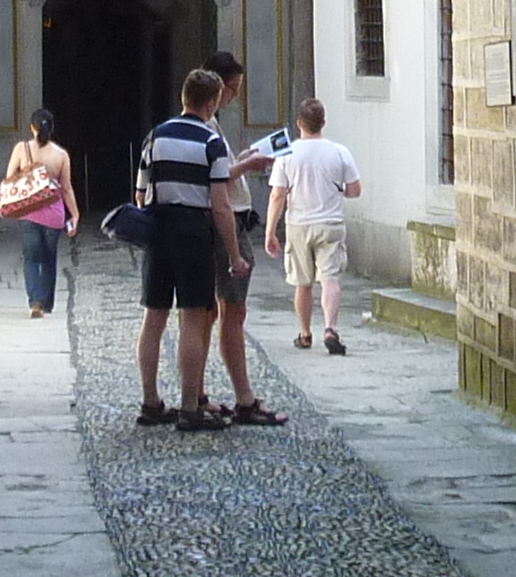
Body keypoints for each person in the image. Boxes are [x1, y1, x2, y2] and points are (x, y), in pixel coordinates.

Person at [134, 65, 246, 433]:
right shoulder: (210, 142)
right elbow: (220, 204)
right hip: (194, 233)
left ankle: (150, 402)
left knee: (154, 317)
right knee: (193, 319)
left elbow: (140, 193)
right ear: (212, 103)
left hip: (159, 229)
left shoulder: (156, 137)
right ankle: (188, 407)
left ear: (184, 98)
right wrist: (234, 255)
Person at [200, 48, 287, 425]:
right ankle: (243, 398)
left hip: (229, 221)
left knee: (217, 313)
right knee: (229, 312)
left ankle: (208, 394)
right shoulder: (206, 126)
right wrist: (247, 165)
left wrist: (245, 157)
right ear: (217, 88)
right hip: (228, 224)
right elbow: (215, 180)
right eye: (233, 89)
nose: (236, 96)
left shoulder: (211, 125)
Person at [266, 97, 364, 354]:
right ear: (323, 122)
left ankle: (305, 332)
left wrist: (269, 232)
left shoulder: (286, 154)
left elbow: (278, 195)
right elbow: (355, 190)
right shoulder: (339, 152)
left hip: (298, 224)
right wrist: (337, 191)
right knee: (330, 279)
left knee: (303, 283)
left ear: (299, 123)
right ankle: (330, 328)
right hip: (330, 223)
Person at [0, 110, 76, 315]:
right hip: (54, 216)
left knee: (31, 258)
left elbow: (10, 178)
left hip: (28, 213)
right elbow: (66, 189)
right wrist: (74, 215)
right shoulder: (61, 155)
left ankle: (35, 302)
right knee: (49, 259)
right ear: (51, 128)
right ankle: (48, 303)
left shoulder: (21, 149)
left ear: (32, 127)